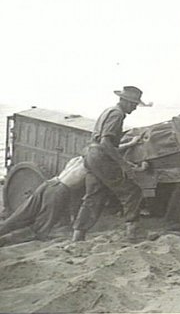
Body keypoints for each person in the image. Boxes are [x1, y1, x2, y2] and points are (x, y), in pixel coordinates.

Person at [72, 86, 149, 242]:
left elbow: (103, 143)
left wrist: (130, 144)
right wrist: (125, 165)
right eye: (134, 104)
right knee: (132, 191)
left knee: (93, 197)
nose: (134, 108)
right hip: (102, 158)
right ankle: (133, 233)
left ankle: (78, 235)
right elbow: (106, 143)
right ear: (126, 102)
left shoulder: (108, 111)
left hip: (91, 156)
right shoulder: (118, 114)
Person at [0, 156, 88, 246]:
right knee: (40, 228)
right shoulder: (92, 165)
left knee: (20, 215)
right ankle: (5, 240)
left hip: (49, 183)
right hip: (59, 190)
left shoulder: (78, 159)